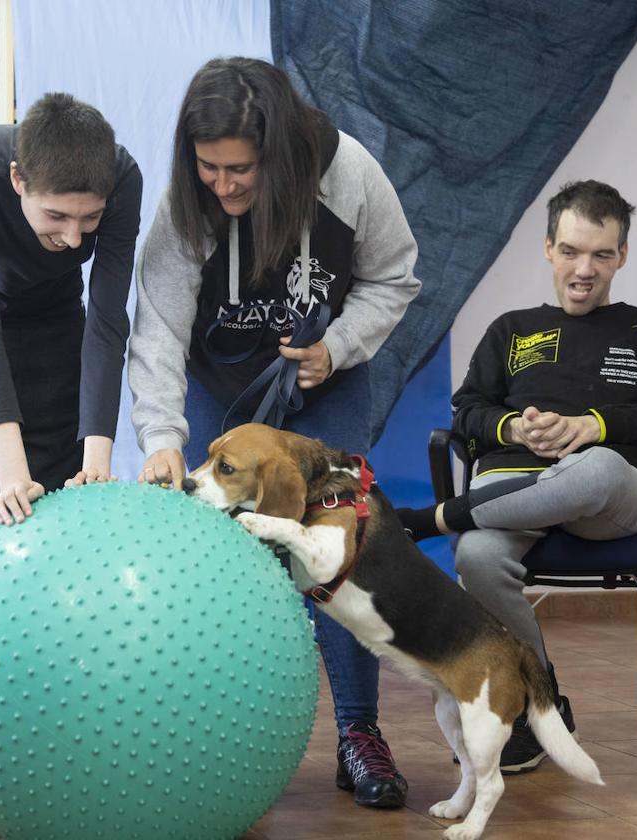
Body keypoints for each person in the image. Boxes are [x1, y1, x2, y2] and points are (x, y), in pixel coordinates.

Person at [128, 58, 420, 808]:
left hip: (322, 381)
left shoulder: (350, 175)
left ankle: (358, 733)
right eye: (207, 167)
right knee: (213, 550)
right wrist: (163, 434)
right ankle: (199, 731)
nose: (222, 185)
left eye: (241, 170)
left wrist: (342, 345)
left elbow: (395, 276)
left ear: (281, 153)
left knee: (335, 549)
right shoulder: (184, 204)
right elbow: (159, 326)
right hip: (221, 388)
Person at [0, 93, 143, 802]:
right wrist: (7, 477)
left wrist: (94, 459)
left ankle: (61, 724)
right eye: (56, 218)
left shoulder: (122, 178)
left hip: (50, 320)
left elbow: (107, 323)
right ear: (18, 182)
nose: (75, 238)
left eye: (89, 220)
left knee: (62, 519)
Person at [397, 180, 637, 773]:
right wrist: (515, 432)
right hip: (513, 495)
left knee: (594, 465)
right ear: (548, 247)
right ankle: (539, 702)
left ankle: (435, 518)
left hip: (615, 502)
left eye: (602, 254)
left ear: (623, 255)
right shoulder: (512, 328)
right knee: (475, 553)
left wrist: (596, 424)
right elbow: (467, 411)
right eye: (572, 251)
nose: (585, 270)